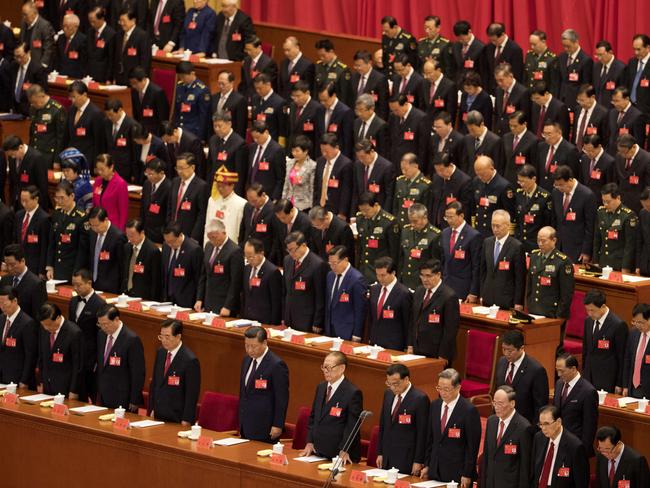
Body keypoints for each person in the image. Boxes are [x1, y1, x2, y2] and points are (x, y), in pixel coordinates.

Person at [421, 368, 481, 487]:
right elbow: (430, 439)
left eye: (446, 389)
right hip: (435, 469)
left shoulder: (469, 410)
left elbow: (472, 446)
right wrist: (427, 464)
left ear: (458, 388)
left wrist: (467, 473)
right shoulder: (435, 406)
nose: (442, 392)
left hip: (457, 472)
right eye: (439, 388)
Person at [300, 351, 363, 464]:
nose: (325, 371)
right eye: (324, 367)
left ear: (342, 368)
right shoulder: (321, 387)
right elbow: (313, 417)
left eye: (329, 367)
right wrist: (310, 442)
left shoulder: (352, 393)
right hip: (318, 452)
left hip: (339, 455)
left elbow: (352, 426)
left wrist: (344, 449)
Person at [377, 364, 429, 476]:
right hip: (387, 456)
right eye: (389, 383)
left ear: (406, 379)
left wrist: (418, 460)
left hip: (406, 458)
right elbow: (383, 425)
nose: (392, 387)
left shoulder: (420, 399)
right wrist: (380, 452)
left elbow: (422, 433)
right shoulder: (388, 394)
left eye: (395, 384)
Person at [239, 326, 289, 443]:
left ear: (265, 343)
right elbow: (243, 392)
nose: (249, 350)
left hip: (265, 428)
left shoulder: (276, 365)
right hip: (245, 425)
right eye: (247, 345)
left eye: (253, 346)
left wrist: (278, 424)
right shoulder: (246, 360)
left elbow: (282, 398)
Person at [479, 385, 533, 488]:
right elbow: (486, 457)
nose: (496, 407)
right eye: (494, 403)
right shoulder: (491, 421)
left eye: (500, 404)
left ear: (512, 403)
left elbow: (525, 467)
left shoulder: (524, 427)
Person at [149, 320, 200, 426]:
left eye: (167, 337)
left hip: (177, 418)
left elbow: (191, 394)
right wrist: (152, 409)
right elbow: (155, 383)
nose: (163, 340)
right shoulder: (161, 352)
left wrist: (186, 419)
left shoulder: (190, 360)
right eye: (161, 337)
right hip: (158, 414)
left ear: (178, 336)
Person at [408, 259, 459, 363]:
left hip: (437, 352)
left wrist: (443, 355)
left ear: (438, 274)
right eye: (422, 275)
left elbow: (450, 330)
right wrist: (410, 345)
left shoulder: (449, 296)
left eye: (428, 276)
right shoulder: (419, 291)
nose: (425, 279)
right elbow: (413, 320)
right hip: (418, 349)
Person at [95, 304, 145, 410]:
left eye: (106, 324)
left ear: (116, 319)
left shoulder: (132, 339)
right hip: (104, 394)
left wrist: (134, 399)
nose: (103, 327)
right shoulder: (101, 335)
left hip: (123, 397)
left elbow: (138, 373)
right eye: (100, 324)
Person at [494, 330, 549, 425]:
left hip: (523, 425)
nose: (506, 353)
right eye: (503, 349)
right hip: (501, 422)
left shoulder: (536, 370)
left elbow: (540, 406)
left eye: (510, 350)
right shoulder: (502, 362)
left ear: (521, 348)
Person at [69, 268, 105, 403]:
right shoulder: (73, 301)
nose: (75, 288)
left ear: (89, 283)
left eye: (78, 285)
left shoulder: (100, 304)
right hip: (74, 353)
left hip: (90, 356)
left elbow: (100, 335)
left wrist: (96, 360)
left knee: (90, 391)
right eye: (74, 285)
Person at [582, 289, 628, 393]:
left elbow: (622, 358)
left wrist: (620, 383)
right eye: (587, 310)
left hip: (607, 380)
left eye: (592, 310)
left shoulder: (618, 325)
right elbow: (586, 351)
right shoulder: (588, 322)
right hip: (589, 377)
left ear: (603, 307)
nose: (589, 313)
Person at [531, 406, 589, 488]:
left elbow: (581, 482)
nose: (543, 428)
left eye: (546, 424)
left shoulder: (575, 446)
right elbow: (533, 469)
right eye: (541, 424)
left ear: (558, 422)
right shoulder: (539, 438)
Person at [479, 210, 526, 310]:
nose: (495, 229)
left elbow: (519, 278)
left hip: (506, 299)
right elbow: (483, 271)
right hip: (488, 297)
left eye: (498, 226)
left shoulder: (516, 246)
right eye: (493, 225)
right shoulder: (487, 242)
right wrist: (482, 293)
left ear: (508, 225)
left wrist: (518, 302)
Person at [553, 353, 599, 456]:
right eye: (557, 371)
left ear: (573, 369)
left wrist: (583, 450)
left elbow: (590, 426)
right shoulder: (559, 384)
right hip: (558, 441)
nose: (559, 374)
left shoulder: (588, 391)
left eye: (562, 371)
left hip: (576, 445)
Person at [195, 219, 243, 316]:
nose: (212, 241)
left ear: (223, 233)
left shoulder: (234, 251)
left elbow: (235, 283)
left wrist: (228, 306)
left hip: (224, 303)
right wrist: (199, 299)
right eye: (210, 238)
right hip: (208, 301)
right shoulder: (208, 246)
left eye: (214, 238)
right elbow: (204, 275)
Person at [526, 226, 575, 320]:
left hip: (552, 313)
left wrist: (559, 316)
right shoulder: (534, 256)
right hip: (534, 311)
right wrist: (529, 305)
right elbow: (530, 285)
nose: (540, 244)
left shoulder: (562, 261)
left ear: (554, 240)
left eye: (543, 241)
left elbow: (567, 293)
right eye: (538, 240)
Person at [283, 231, 327, 333]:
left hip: (307, 319)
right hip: (290, 316)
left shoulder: (317, 264)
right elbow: (284, 291)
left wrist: (317, 322)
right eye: (288, 250)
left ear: (303, 245)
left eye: (293, 250)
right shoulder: (287, 260)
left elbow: (320, 297)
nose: (291, 254)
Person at [552, 165, 597, 263]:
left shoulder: (587, 195)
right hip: (559, 247)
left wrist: (586, 251)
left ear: (570, 180)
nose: (559, 188)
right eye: (556, 185)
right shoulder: (556, 193)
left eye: (561, 184)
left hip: (578, 249)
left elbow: (590, 227)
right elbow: (556, 220)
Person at [37, 302, 82, 399]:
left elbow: (77, 366)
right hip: (47, 385)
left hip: (65, 387)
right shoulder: (44, 329)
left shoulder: (74, 333)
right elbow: (42, 357)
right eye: (44, 325)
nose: (46, 328)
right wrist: (41, 381)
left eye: (49, 324)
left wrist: (74, 390)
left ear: (58, 317)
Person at [46, 181, 89, 281]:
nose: (59, 201)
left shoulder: (81, 217)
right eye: (57, 198)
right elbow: (52, 243)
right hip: (57, 268)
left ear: (72, 196)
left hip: (72, 269)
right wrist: (50, 266)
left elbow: (82, 250)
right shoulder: (57, 214)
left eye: (62, 198)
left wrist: (76, 272)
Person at [440, 201, 481, 302]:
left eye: (451, 217)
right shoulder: (445, 233)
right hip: (445, 285)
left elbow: (477, 267)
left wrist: (473, 292)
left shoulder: (473, 235)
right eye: (446, 217)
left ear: (461, 216)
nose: (448, 220)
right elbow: (443, 260)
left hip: (463, 288)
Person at [324, 245, 367, 341]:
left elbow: (360, 310)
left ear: (345, 260)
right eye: (330, 264)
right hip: (330, 328)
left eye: (335, 263)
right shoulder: (330, 275)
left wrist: (357, 334)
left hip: (347, 330)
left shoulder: (356, 279)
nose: (332, 267)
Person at [368, 257, 412, 351]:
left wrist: (408, 345)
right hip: (374, 343)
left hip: (394, 345)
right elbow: (372, 318)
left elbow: (407, 323)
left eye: (383, 275)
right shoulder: (374, 289)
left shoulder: (404, 293)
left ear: (393, 273)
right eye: (377, 275)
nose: (380, 278)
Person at [355, 192, 399, 284]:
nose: (364, 213)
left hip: (380, 271)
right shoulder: (360, 219)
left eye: (366, 210)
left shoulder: (389, 222)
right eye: (361, 210)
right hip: (364, 269)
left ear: (376, 205)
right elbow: (361, 245)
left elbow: (394, 251)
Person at [593, 183, 638, 272]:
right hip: (603, 262)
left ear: (618, 198)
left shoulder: (628, 215)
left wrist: (626, 267)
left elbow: (630, 245)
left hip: (619, 264)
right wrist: (595, 261)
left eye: (608, 201)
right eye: (603, 201)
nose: (605, 204)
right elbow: (597, 239)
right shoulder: (601, 212)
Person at [63, 80, 108, 168]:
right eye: (70, 97)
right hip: (71, 159)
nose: (72, 100)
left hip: (87, 160)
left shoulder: (96, 113)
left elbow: (99, 142)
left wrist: (96, 164)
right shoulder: (72, 109)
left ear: (84, 95)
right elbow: (66, 135)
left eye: (74, 97)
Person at [0, 286, 38, 389]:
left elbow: (30, 355)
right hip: (2, 375)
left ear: (15, 301)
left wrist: (24, 380)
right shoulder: (1, 319)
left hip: (17, 378)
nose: (1, 306)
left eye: (4, 303)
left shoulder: (27, 323)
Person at [398, 203, 441, 291]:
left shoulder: (434, 235)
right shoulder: (405, 231)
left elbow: (435, 264)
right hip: (405, 281)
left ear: (424, 217)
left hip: (422, 282)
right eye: (410, 221)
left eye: (415, 221)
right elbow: (401, 257)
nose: (412, 224)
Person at [168, 152, 208, 245]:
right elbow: (170, 207)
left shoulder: (201, 186)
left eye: (182, 168)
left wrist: (194, 237)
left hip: (189, 235)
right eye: (177, 168)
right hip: (173, 232)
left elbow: (202, 215)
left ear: (193, 167)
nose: (179, 171)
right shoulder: (175, 181)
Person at [471, 155, 516, 240]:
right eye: (478, 174)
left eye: (482, 174)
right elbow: (474, 206)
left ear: (491, 169)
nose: (480, 177)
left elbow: (510, 214)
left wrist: (509, 235)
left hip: (494, 233)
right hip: (478, 230)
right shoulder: (476, 181)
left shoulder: (504, 186)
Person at [241, 238, 283, 325]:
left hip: (264, 321)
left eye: (251, 256)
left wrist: (274, 324)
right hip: (247, 319)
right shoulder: (247, 268)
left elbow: (276, 302)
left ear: (261, 253)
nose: (248, 259)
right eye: (246, 256)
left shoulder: (272, 272)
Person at [162, 222, 203, 308]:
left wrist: (199, 299)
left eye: (172, 241)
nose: (170, 244)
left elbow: (199, 278)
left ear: (180, 235)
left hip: (186, 301)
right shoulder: (166, 246)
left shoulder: (194, 249)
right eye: (167, 241)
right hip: (168, 299)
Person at [514, 164, 554, 253]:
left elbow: (548, 223)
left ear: (533, 179)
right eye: (519, 181)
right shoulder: (518, 194)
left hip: (536, 243)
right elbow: (516, 219)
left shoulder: (545, 197)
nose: (521, 184)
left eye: (523, 181)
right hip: (520, 242)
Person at [3, 135, 49, 212]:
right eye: (10, 155)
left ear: (20, 147)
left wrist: (38, 207)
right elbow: (13, 181)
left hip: (32, 203)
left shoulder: (37, 158)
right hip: (17, 202)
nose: (12, 157)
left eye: (13, 154)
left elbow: (43, 186)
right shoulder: (12, 157)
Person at [1, 244, 47, 320]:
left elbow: (39, 317)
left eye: (12, 265)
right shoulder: (5, 280)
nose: (9, 268)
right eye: (7, 265)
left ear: (22, 261)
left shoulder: (37, 284)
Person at [314, 132, 353, 221]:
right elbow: (316, 185)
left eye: (327, 151)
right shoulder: (320, 161)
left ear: (336, 148)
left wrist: (342, 212)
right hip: (320, 206)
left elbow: (346, 191)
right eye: (322, 150)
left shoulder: (346, 164)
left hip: (336, 208)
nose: (324, 154)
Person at [87, 206, 126, 294]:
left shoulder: (118, 237)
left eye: (97, 225)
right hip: (93, 284)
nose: (94, 228)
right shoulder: (92, 233)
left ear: (105, 220)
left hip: (111, 287)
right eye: (91, 225)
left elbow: (122, 266)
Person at [207, 112, 247, 193]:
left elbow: (239, 172)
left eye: (220, 126)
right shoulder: (213, 140)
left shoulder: (239, 143)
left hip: (229, 188)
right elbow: (209, 166)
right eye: (215, 126)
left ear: (229, 124)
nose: (217, 129)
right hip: (214, 187)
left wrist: (236, 192)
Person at [27, 84, 66, 168]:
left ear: (42, 96)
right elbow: (33, 133)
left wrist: (57, 160)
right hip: (34, 152)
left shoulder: (57, 109)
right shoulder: (33, 108)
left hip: (48, 156)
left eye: (35, 102)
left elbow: (61, 138)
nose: (33, 104)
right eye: (31, 102)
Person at [123, 219, 162, 301]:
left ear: (142, 233)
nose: (130, 238)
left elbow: (156, 280)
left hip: (144, 298)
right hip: (126, 294)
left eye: (132, 235)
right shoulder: (127, 247)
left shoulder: (152, 251)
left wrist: (153, 300)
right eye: (128, 235)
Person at [430, 154, 472, 229]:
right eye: (437, 170)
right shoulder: (436, 178)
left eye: (442, 170)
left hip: (452, 226)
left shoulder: (463, 181)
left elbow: (465, 209)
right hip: (435, 224)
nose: (439, 173)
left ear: (450, 165)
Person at [15, 186, 50, 278]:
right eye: (21, 200)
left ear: (36, 199)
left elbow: (44, 247)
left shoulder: (44, 219)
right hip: (19, 265)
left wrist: (41, 271)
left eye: (26, 201)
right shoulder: (19, 215)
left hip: (34, 268)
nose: (23, 204)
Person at [206, 165, 246, 245]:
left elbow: (239, 231)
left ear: (232, 186)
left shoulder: (241, 203)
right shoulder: (212, 200)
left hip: (230, 245)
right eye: (218, 186)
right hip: (212, 244)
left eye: (223, 187)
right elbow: (207, 224)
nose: (220, 189)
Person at [392, 152, 432, 229]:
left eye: (406, 169)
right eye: (402, 169)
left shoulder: (425, 185)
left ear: (415, 166)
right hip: (400, 224)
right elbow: (395, 205)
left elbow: (427, 210)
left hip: (416, 226)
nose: (403, 172)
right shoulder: (400, 181)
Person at [248, 120, 286, 201]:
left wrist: (275, 198)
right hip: (253, 194)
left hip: (268, 196)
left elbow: (280, 178)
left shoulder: (277, 150)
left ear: (266, 132)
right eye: (253, 137)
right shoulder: (252, 147)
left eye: (257, 137)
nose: (255, 140)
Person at [173, 62, 211, 141]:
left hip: (193, 131)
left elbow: (203, 117)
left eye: (183, 76)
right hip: (178, 130)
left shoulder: (202, 90)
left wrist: (200, 137)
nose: (181, 79)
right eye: (180, 76)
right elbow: (176, 110)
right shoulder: (179, 86)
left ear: (192, 73)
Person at [128, 66, 170, 138]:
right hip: (141, 131)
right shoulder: (134, 91)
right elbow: (136, 114)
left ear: (144, 79)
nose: (133, 86)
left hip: (155, 133)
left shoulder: (157, 92)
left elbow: (163, 118)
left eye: (135, 83)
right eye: (131, 84)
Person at [387, 94, 428, 167]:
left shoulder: (420, 118)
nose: (395, 113)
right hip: (395, 162)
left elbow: (423, 147)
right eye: (392, 110)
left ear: (405, 104)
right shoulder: (393, 116)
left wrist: (420, 166)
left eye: (396, 110)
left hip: (411, 164)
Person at [614, 133, 650, 216]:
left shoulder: (647, 159)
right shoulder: (619, 156)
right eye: (620, 152)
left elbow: (648, 186)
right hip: (621, 204)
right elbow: (617, 180)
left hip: (638, 207)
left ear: (633, 147)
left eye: (625, 152)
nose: (623, 155)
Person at [557, 29, 593, 111]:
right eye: (564, 46)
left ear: (576, 42)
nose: (565, 49)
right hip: (561, 100)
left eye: (568, 46)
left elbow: (585, 85)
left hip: (576, 102)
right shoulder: (562, 57)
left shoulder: (585, 60)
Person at [287, 80, 324, 159]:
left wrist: (317, 157)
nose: (295, 99)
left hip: (308, 154)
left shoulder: (317, 108)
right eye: (293, 96)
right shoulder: (292, 105)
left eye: (298, 96)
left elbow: (319, 135)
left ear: (307, 93)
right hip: (293, 152)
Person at [114, 9, 151, 86]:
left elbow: (145, 60)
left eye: (124, 21)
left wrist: (140, 79)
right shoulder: (118, 35)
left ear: (133, 20)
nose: (121, 23)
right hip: (119, 79)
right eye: (120, 21)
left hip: (134, 80)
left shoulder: (142, 36)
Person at [11, 42, 48, 117]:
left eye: (20, 56)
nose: (18, 60)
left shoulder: (38, 69)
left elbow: (42, 93)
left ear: (28, 53)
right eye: (16, 57)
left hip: (30, 113)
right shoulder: (13, 66)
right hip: (14, 111)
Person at [485, 23, 524, 94]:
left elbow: (517, 74)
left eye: (495, 40)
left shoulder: (515, 50)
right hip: (492, 90)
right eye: (491, 40)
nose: (493, 43)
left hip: (507, 89)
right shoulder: (489, 47)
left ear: (502, 34)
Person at [92, 154, 129, 231]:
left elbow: (123, 213)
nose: (99, 172)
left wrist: (120, 232)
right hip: (98, 225)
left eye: (102, 169)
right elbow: (94, 204)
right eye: (98, 169)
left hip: (113, 227)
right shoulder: (97, 181)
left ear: (111, 167)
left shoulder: (121, 184)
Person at [621, 303, 650, 399]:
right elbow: (627, 360)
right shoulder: (633, 333)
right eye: (635, 322)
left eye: (641, 322)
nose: (638, 325)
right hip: (632, 388)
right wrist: (625, 385)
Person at [493, 63, 530, 137]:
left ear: (510, 76)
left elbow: (524, 118)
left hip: (513, 135)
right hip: (498, 134)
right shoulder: (498, 90)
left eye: (501, 80)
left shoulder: (523, 92)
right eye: (497, 81)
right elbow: (497, 114)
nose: (499, 83)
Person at [461, 110, 502, 176]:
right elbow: (465, 162)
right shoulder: (467, 138)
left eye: (473, 130)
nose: (471, 133)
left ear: (481, 124)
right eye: (469, 130)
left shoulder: (495, 141)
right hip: (470, 180)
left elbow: (497, 166)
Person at [314, 39, 353, 108]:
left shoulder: (342, 70)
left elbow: (344, 95)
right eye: (319, 56)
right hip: (320, 106)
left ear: (331, 51)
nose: (321, 58)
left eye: (323, 55)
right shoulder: (318, 66)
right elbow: (315, 89)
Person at [502, 111, 539, 185]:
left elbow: (534, 165)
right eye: (510, 125)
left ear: (524, 124)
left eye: (515, 126)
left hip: (522, 181)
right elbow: (502, 161)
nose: (512, 128)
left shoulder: (533, 140)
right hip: (506, 180)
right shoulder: (506, 137)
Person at [351, 50, 389, 121]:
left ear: (369, 63)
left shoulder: (380, 79)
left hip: (371, 119)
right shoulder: (354, 76)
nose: (357, 68)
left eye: (359, 65)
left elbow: (383, 106)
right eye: (355, 65)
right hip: (355, 119)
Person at [270, 199, 311, 264]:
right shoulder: (279, 219)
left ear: (291, 211)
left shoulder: (306, 222)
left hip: (302, 262)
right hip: (286, 262)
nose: (281, 221)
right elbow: (278, 243)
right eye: (279, 218)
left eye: (283, 218)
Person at [282, 135, 316, 211]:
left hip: (304, 205)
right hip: (288, 203)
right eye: (293, 150)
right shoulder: (289, 163)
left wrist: (311, 207)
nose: (294, 153)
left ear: (306, 151)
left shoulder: (312, 166)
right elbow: (286, 184)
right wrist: (283, 200)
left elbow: (312, 189)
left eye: (297, 151)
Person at [239, 36, 278, 103]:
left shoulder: (269, 63)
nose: (248, 52)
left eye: (250, 50)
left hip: (259, 98)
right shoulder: (246, 60)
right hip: (245, 96)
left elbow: (268, 85)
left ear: (259, 48)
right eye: (246, 50)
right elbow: (243, 82)